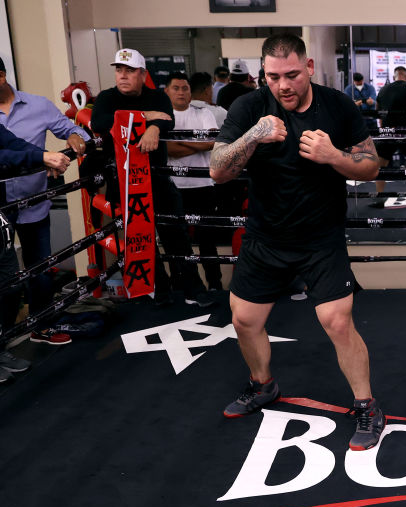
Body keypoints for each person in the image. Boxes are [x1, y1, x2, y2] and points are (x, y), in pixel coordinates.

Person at [209, 33, 386, 450]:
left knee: (338, 323)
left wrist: (335, 157)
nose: (283, 85)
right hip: (265, 236)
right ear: (262, 75)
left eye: (292, 74)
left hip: (320, 237)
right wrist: (252, 136)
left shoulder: (337, 105)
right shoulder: (250, 107)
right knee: (244, 321)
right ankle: (262, 384)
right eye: (273, 77)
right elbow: (218, 170)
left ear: (308, 68)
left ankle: (367, 406)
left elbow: (372, 166)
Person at [90, 48, 213, 307]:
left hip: (156, 180)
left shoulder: (157, 96)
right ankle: (159, 291)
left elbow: (167, 119)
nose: (123, 76)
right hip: (123, 184)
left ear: (142, 74)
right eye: (119, 70)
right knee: (140, 239)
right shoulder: (106, 98)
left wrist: (155, 128)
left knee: (176, 234)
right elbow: (99, 123)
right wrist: (146, 118)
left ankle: (193, 289)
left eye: (130, 70)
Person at [0, 55, 91, 345]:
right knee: (7, 280)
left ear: (2, 77)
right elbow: (7, 157)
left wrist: (77, 137)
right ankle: (4, 340)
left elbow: (19, 147)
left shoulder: (37, 105)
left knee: (39, 267)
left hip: (34, 200)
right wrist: (42, 157)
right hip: (1, 209)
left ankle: (40, 326)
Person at [1, 124, 71, 381]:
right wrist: (41, 158)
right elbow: (4, 154)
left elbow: (13, 143)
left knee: (9, 284)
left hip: (1, 216)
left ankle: (1, 345)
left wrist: (43, 157)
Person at [165, 72, 223, 291]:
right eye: (176, 88)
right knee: (177, 241)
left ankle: (215, 284)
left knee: (208, 239)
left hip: (203, 185)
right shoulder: (163, 117)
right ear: (167, 91)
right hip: (175, 186)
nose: (181, 92)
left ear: (191, 91)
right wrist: (196, 142)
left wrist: (179, 143)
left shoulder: (203, 112)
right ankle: (184, 285)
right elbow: (166, 148)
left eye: (185, 88)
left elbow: (214, 142)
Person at [371, 66, 406, 208]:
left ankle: (379, 197)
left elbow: (377, 111)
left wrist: (383, 128)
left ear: (394, 76)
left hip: (388, 132)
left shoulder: (383, 90)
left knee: (381, 166)